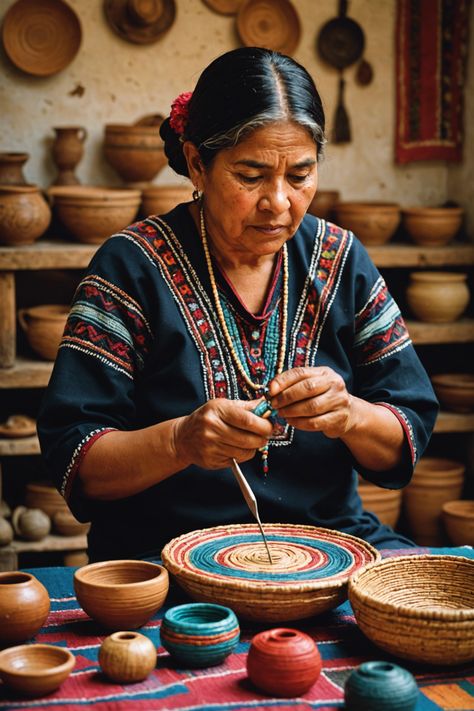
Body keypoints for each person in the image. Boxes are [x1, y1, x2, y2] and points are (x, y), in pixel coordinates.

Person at [38, 47, 438, 562]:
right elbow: (75, 462)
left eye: (300, 175)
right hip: (163, 557)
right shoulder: (132, 267)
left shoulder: (338, 260)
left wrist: (349, 414)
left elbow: (405, 440)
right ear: (196, 164)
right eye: (250, 176)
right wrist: (180, 441)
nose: (278, 201)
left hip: (327, 546)